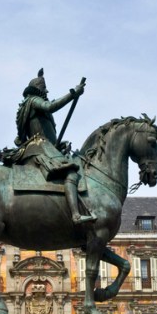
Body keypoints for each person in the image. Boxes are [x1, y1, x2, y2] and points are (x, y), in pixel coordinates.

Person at [14, 69, 95, 225]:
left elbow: (45, 131)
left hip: (44, 145)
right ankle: (76, 215)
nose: (47, 91)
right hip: (39, 147)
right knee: (71, 172)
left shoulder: (29, 104)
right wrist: (73, 94)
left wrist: (58, 144)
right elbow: (50, 107)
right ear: (39, 89)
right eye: (45, 88)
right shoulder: (33, 100)